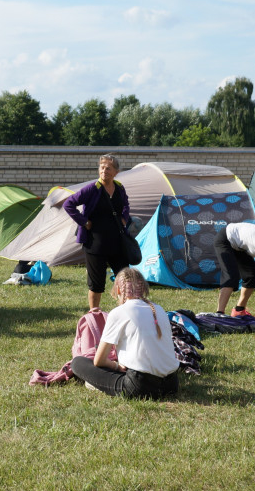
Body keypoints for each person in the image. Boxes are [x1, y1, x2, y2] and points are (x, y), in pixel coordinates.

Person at [71, 267, 180, 399]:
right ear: (144, 288)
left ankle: (97, 385)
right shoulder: (159, 309)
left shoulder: (118, 313)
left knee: (77, 363)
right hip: (172, 384)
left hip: (140, 386)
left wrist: (116, 366)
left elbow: (99, 360)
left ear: (118, 290)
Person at [63, 154, 131, 312]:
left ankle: (125, 312)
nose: (104, 171)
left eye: (109, 168)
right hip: (95, 244)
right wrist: (84, 221)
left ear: (116, 172)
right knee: (97, 284)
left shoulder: (119, 187)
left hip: (117, 243)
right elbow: (69, 204)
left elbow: (126, 205)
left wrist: (124, 219)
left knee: (126, 280)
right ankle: (94, 315)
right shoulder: (92, 189)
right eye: (102, 167)